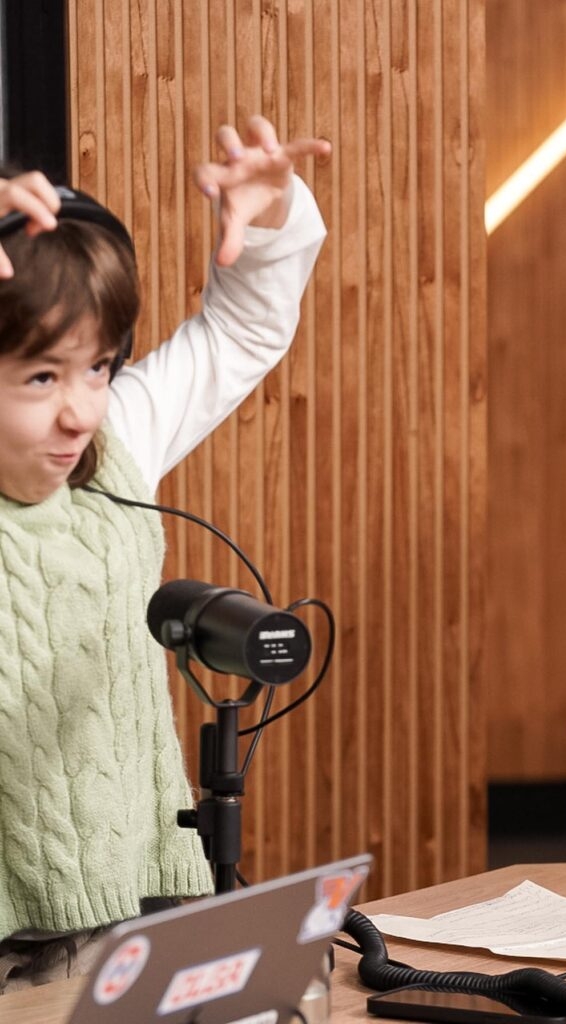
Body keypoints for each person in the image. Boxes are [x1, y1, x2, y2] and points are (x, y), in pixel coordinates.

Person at [0, 115, 330, 989]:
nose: (80, 411)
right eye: (41, 377)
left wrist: (269, 222)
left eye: (99, 367)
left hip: (143, 920)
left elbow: (239, 336)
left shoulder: (118, 448)